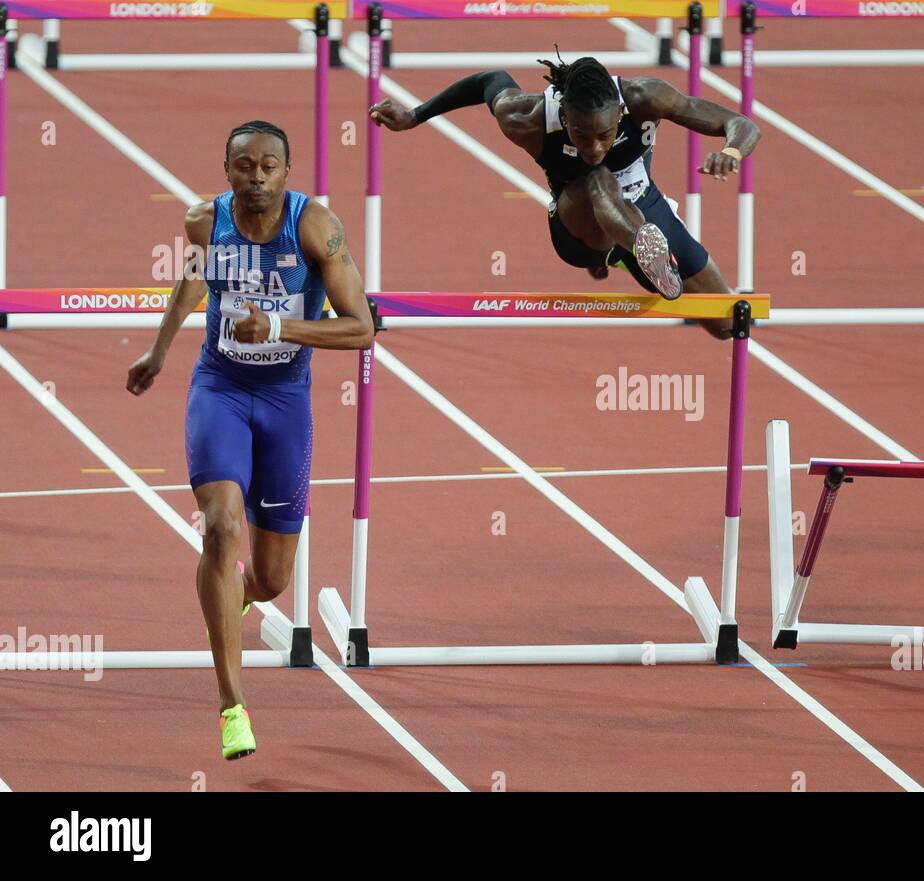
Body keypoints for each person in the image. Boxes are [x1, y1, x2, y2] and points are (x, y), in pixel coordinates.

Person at [127, 121, 374, 760]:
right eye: (245, 166)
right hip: (221, 391)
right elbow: (192, 280)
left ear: (286, 174)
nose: (257, 177)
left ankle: (227, 603)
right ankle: (232, 706)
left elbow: (361, 328)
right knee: (220, 524)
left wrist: (281, 327)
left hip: (285, 400)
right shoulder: (204, 221)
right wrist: (159, 350)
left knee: (270, 581)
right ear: (228, 169)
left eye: (269, 167)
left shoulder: (315, 227)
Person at [368, 55, 759, 315]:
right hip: (575, 227)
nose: (594, 146)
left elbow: (742, 125)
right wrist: (415, 116)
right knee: (597, 178)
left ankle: (632, 250)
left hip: (643, 205)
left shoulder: (646, 97)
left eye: (605, 134)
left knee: (726, 321)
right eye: (580, 134)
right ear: (563, 113)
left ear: (622, 112)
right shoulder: (525, 117)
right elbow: (489, 80)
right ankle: (640, 248)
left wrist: (733, 152)